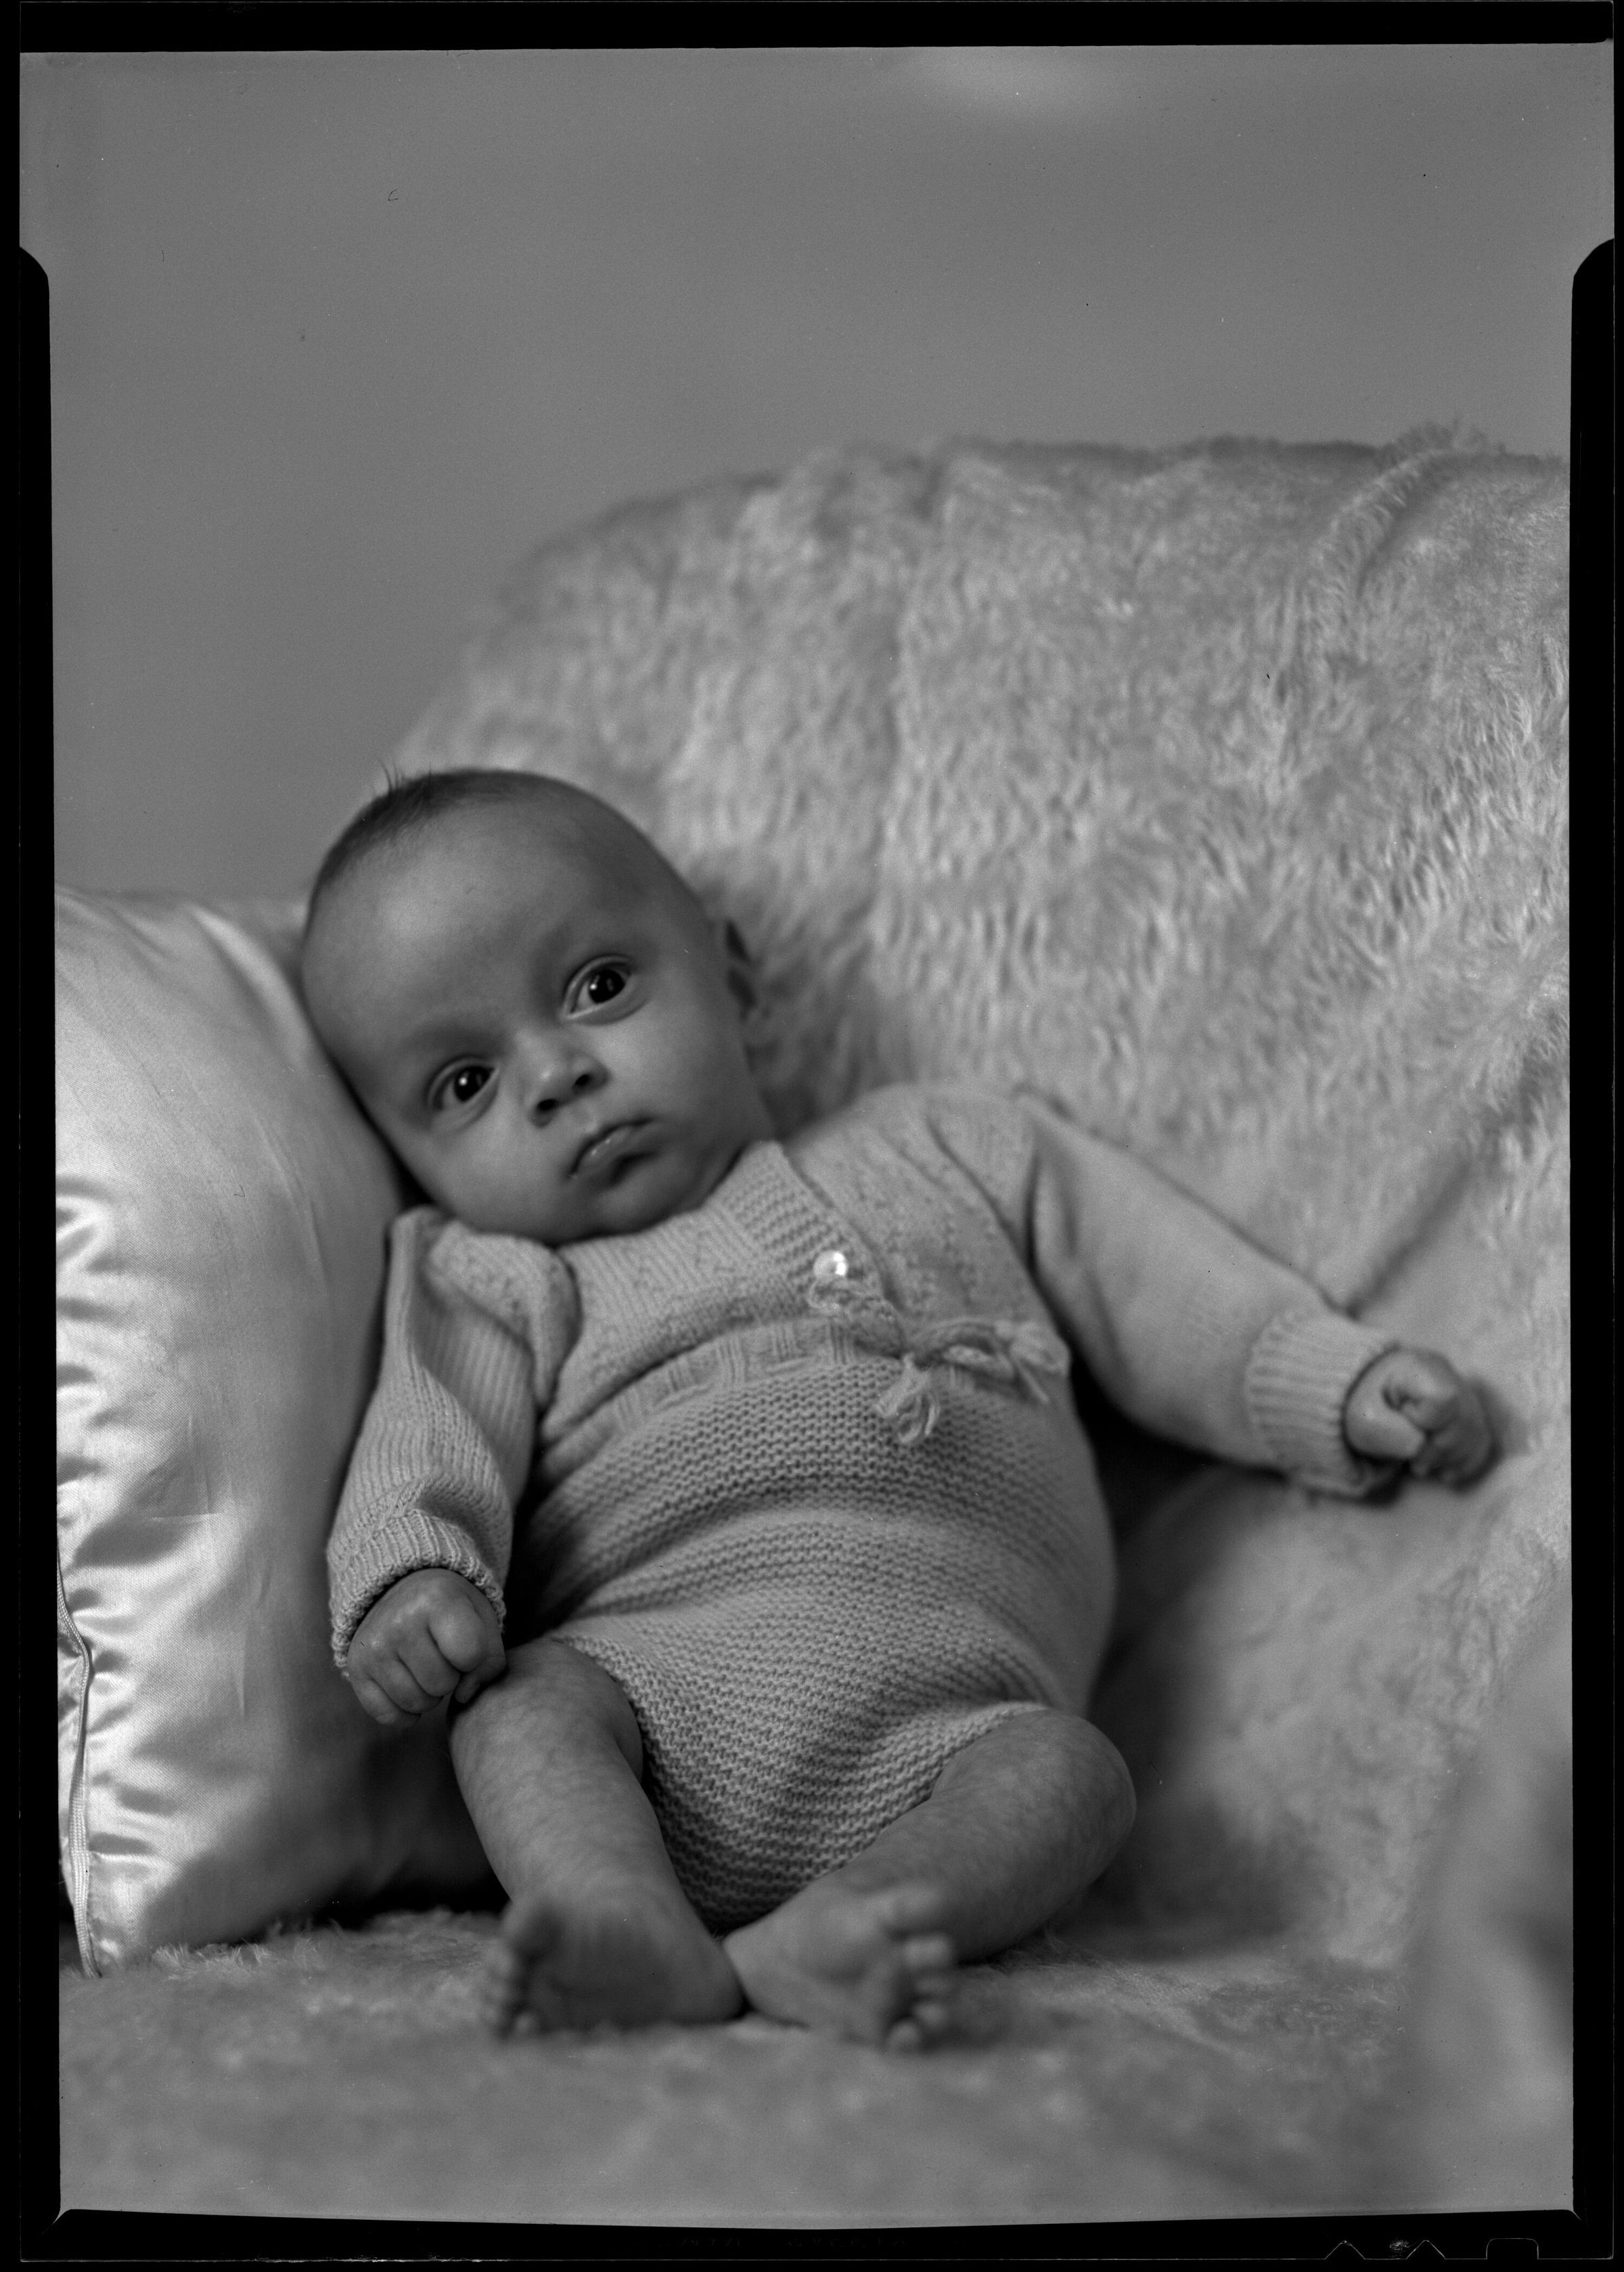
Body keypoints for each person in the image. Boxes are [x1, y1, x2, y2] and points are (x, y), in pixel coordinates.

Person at [300, 769, 1495, 2050]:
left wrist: (1324, 1376)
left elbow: (1151, 1280)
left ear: (731, 974)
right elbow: (424, 1441)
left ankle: (850, 1924)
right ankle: (620, 1916)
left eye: (598, 986)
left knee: (1076, 1775)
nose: (555, 1075)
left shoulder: (945, 1145)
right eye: (463, 1083)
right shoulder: (496, 1278)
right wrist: (414, 1580)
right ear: (403, 1154)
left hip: (960, 1734)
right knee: (519, 1709)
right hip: (650, 1706)